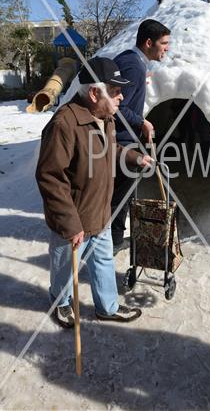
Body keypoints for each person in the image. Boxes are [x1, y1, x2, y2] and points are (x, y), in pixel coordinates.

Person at [36, 56, 152, 327]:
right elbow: (50, 177)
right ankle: (61, 303)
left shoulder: (104, 118)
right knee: (65, 271)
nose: (121, 96)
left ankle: (107, 307)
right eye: (115, 91)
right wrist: (70, 223)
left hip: (99, 212)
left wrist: (134, 157)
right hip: (73, 221)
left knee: (103, 264)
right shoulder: (64, 124)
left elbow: (107, 151)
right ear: (93, 92)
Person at [111, 19, 171, 252]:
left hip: (125, 137)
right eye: (164, 43)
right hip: (122, 139)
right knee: (121, 195)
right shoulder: (133, 66)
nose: (167, 48)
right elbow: (115, 106)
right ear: (149, 42)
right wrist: (142, 121)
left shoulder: (130, 60)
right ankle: (112, 242)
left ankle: (113, 238)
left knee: (126, 193)